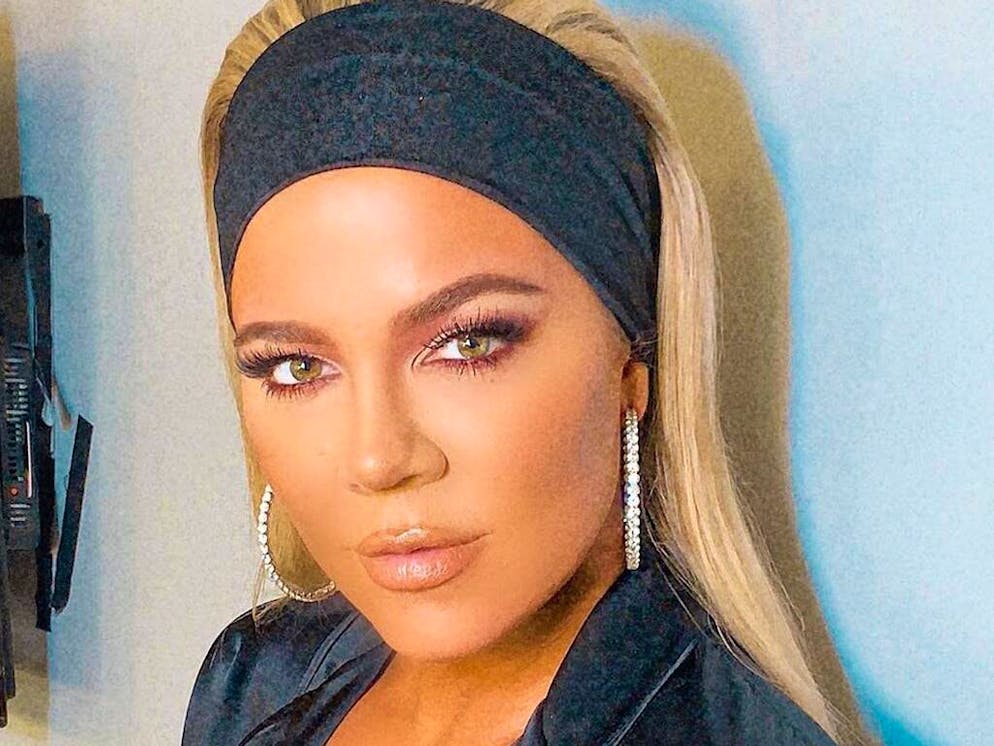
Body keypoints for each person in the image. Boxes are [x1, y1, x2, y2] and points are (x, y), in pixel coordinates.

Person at [181, 0, 857, 743]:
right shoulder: (253, 682)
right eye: (298, 365)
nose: (378, 460)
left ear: (631, 365)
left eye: (468, 344)